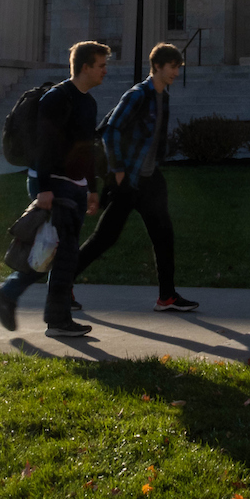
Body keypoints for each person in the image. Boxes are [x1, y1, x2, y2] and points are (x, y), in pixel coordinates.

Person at [0, 39, 110, 338]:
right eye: (101, 65)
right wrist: (44, 188)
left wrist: (92, 188)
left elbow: (86, 149)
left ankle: (9, 294)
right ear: (85, 67)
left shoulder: (88, 102)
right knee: (65, 252)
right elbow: (43, 145)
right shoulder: (57, 99)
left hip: (75, 185)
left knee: (53, 252)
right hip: (52, 183)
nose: (105, 71)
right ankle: (56, 320)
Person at [77, 42, 198, 314]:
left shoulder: (164, 96)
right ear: (156, 66)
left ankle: (167, 297)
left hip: (150, 179)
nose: (176, 73)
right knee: (105, 237)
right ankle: (61, 285)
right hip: (128, 179)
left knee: (164, 235)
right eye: (172, 67)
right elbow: (111, 131)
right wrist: (118, 169)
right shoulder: (137, 95)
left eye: (178, 68)